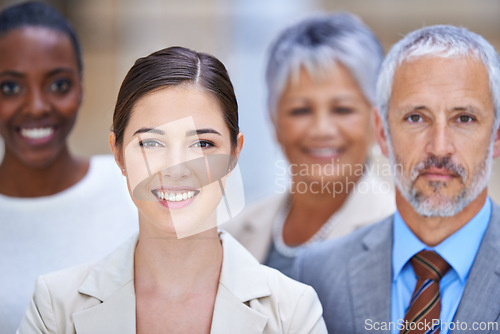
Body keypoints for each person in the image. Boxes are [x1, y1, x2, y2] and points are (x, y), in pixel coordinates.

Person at [17, 46, 327, 334]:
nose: (176, 168)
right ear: (118, 152)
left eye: (203, 144)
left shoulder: (293, 312)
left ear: (234, 154)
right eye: (151, 143)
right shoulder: (55, 307)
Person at [292, 24, 500, 334]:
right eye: (416, 117)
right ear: (382, 132)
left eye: (464, 118)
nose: (440, 147)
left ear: (496, 136)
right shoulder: (316, 275)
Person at [0, 2, 137, 331]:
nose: (36, 107)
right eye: (11, 88)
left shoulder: (132, 191)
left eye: (58, 85)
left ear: (81, 87)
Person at [224, 13, 395, 276]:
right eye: (300, 110)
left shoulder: (400, 236)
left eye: (342, 109)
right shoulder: (232, 236)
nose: (321, 130)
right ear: (273, 119)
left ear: (378, 119)